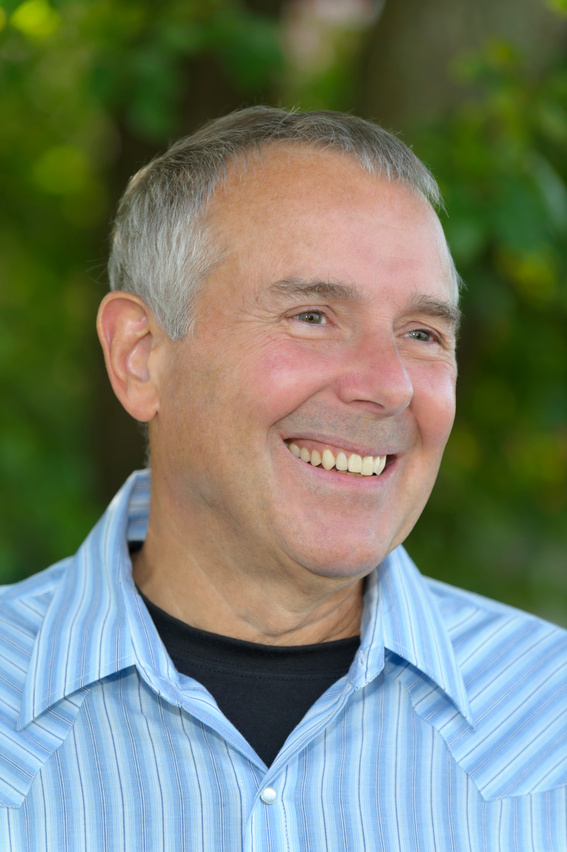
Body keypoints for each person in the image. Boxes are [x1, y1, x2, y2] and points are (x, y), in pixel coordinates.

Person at [0, 107, 565, 851]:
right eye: (311, 316)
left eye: (422, 334)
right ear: (141, 356)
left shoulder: (550, 716)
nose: (388, 385)